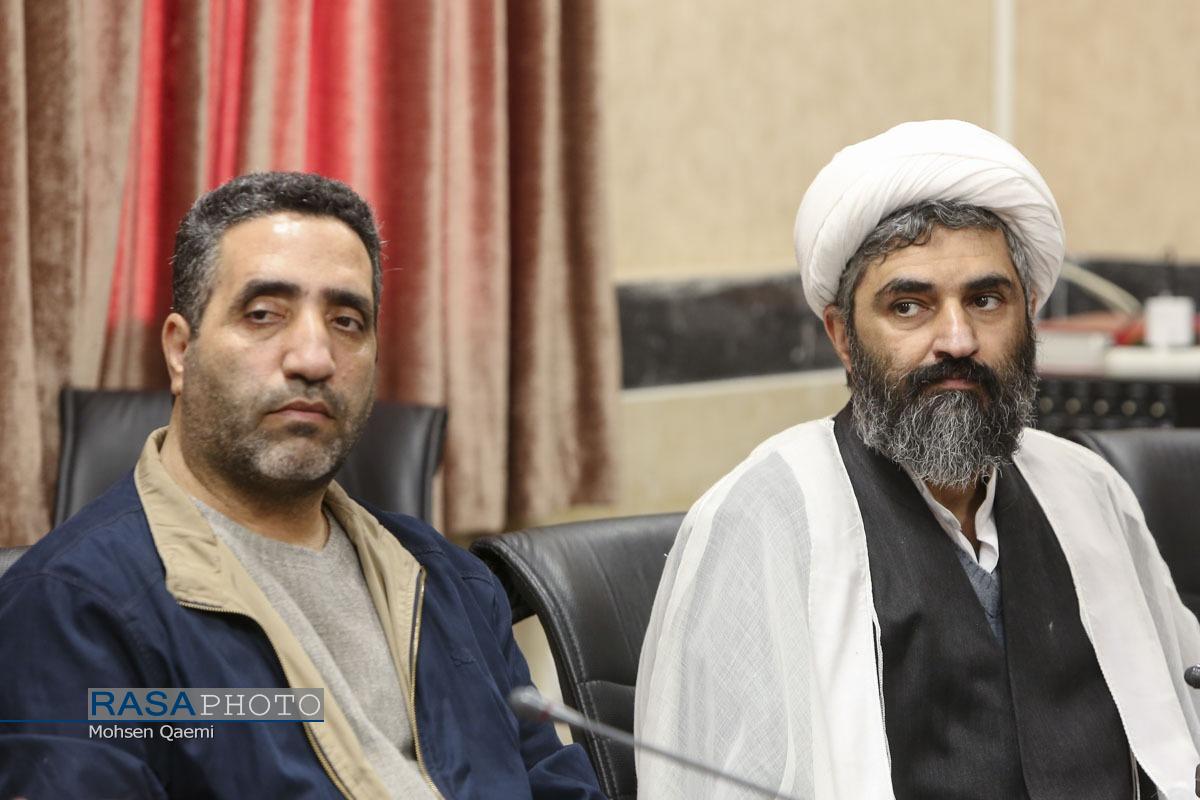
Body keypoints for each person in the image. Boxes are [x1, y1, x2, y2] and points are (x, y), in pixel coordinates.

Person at [634, 120, 1200, 799]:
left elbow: (1180, 733)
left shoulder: (1087, 491)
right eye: (909, 306)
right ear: (843, 337)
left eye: (985, 300)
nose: (957, 340)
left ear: (1029, 315)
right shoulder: (765, 519)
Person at [0, 172, 603, 799]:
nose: (314, 358)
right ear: (180, 351)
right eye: (264, 315)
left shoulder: (450, 582)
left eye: (347, 321)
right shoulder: (69, 612)